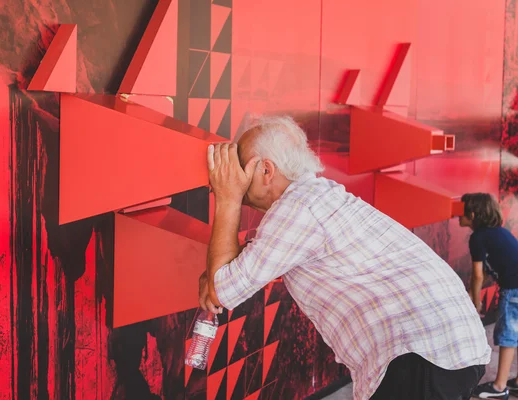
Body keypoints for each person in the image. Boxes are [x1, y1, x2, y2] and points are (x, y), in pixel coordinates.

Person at [197, 115, 491, 400]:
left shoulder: (297, 208)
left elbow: (224, 289)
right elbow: (231, 274)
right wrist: (217, 275)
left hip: (423, 354)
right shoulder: (314, 198)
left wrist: (227, 197)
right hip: (448, 346)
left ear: (265, 171)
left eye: (239, 165)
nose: (232, 174)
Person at [460, 193, 518, 399]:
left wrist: (475, 303)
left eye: (462, 210)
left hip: (514, 289)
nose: (458, 214)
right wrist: (471, 295)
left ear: (473, 214)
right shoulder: (497, 233)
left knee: (508, 337)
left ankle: (499, 388)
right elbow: (484, 272)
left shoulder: (478, 237)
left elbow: (477, 275)